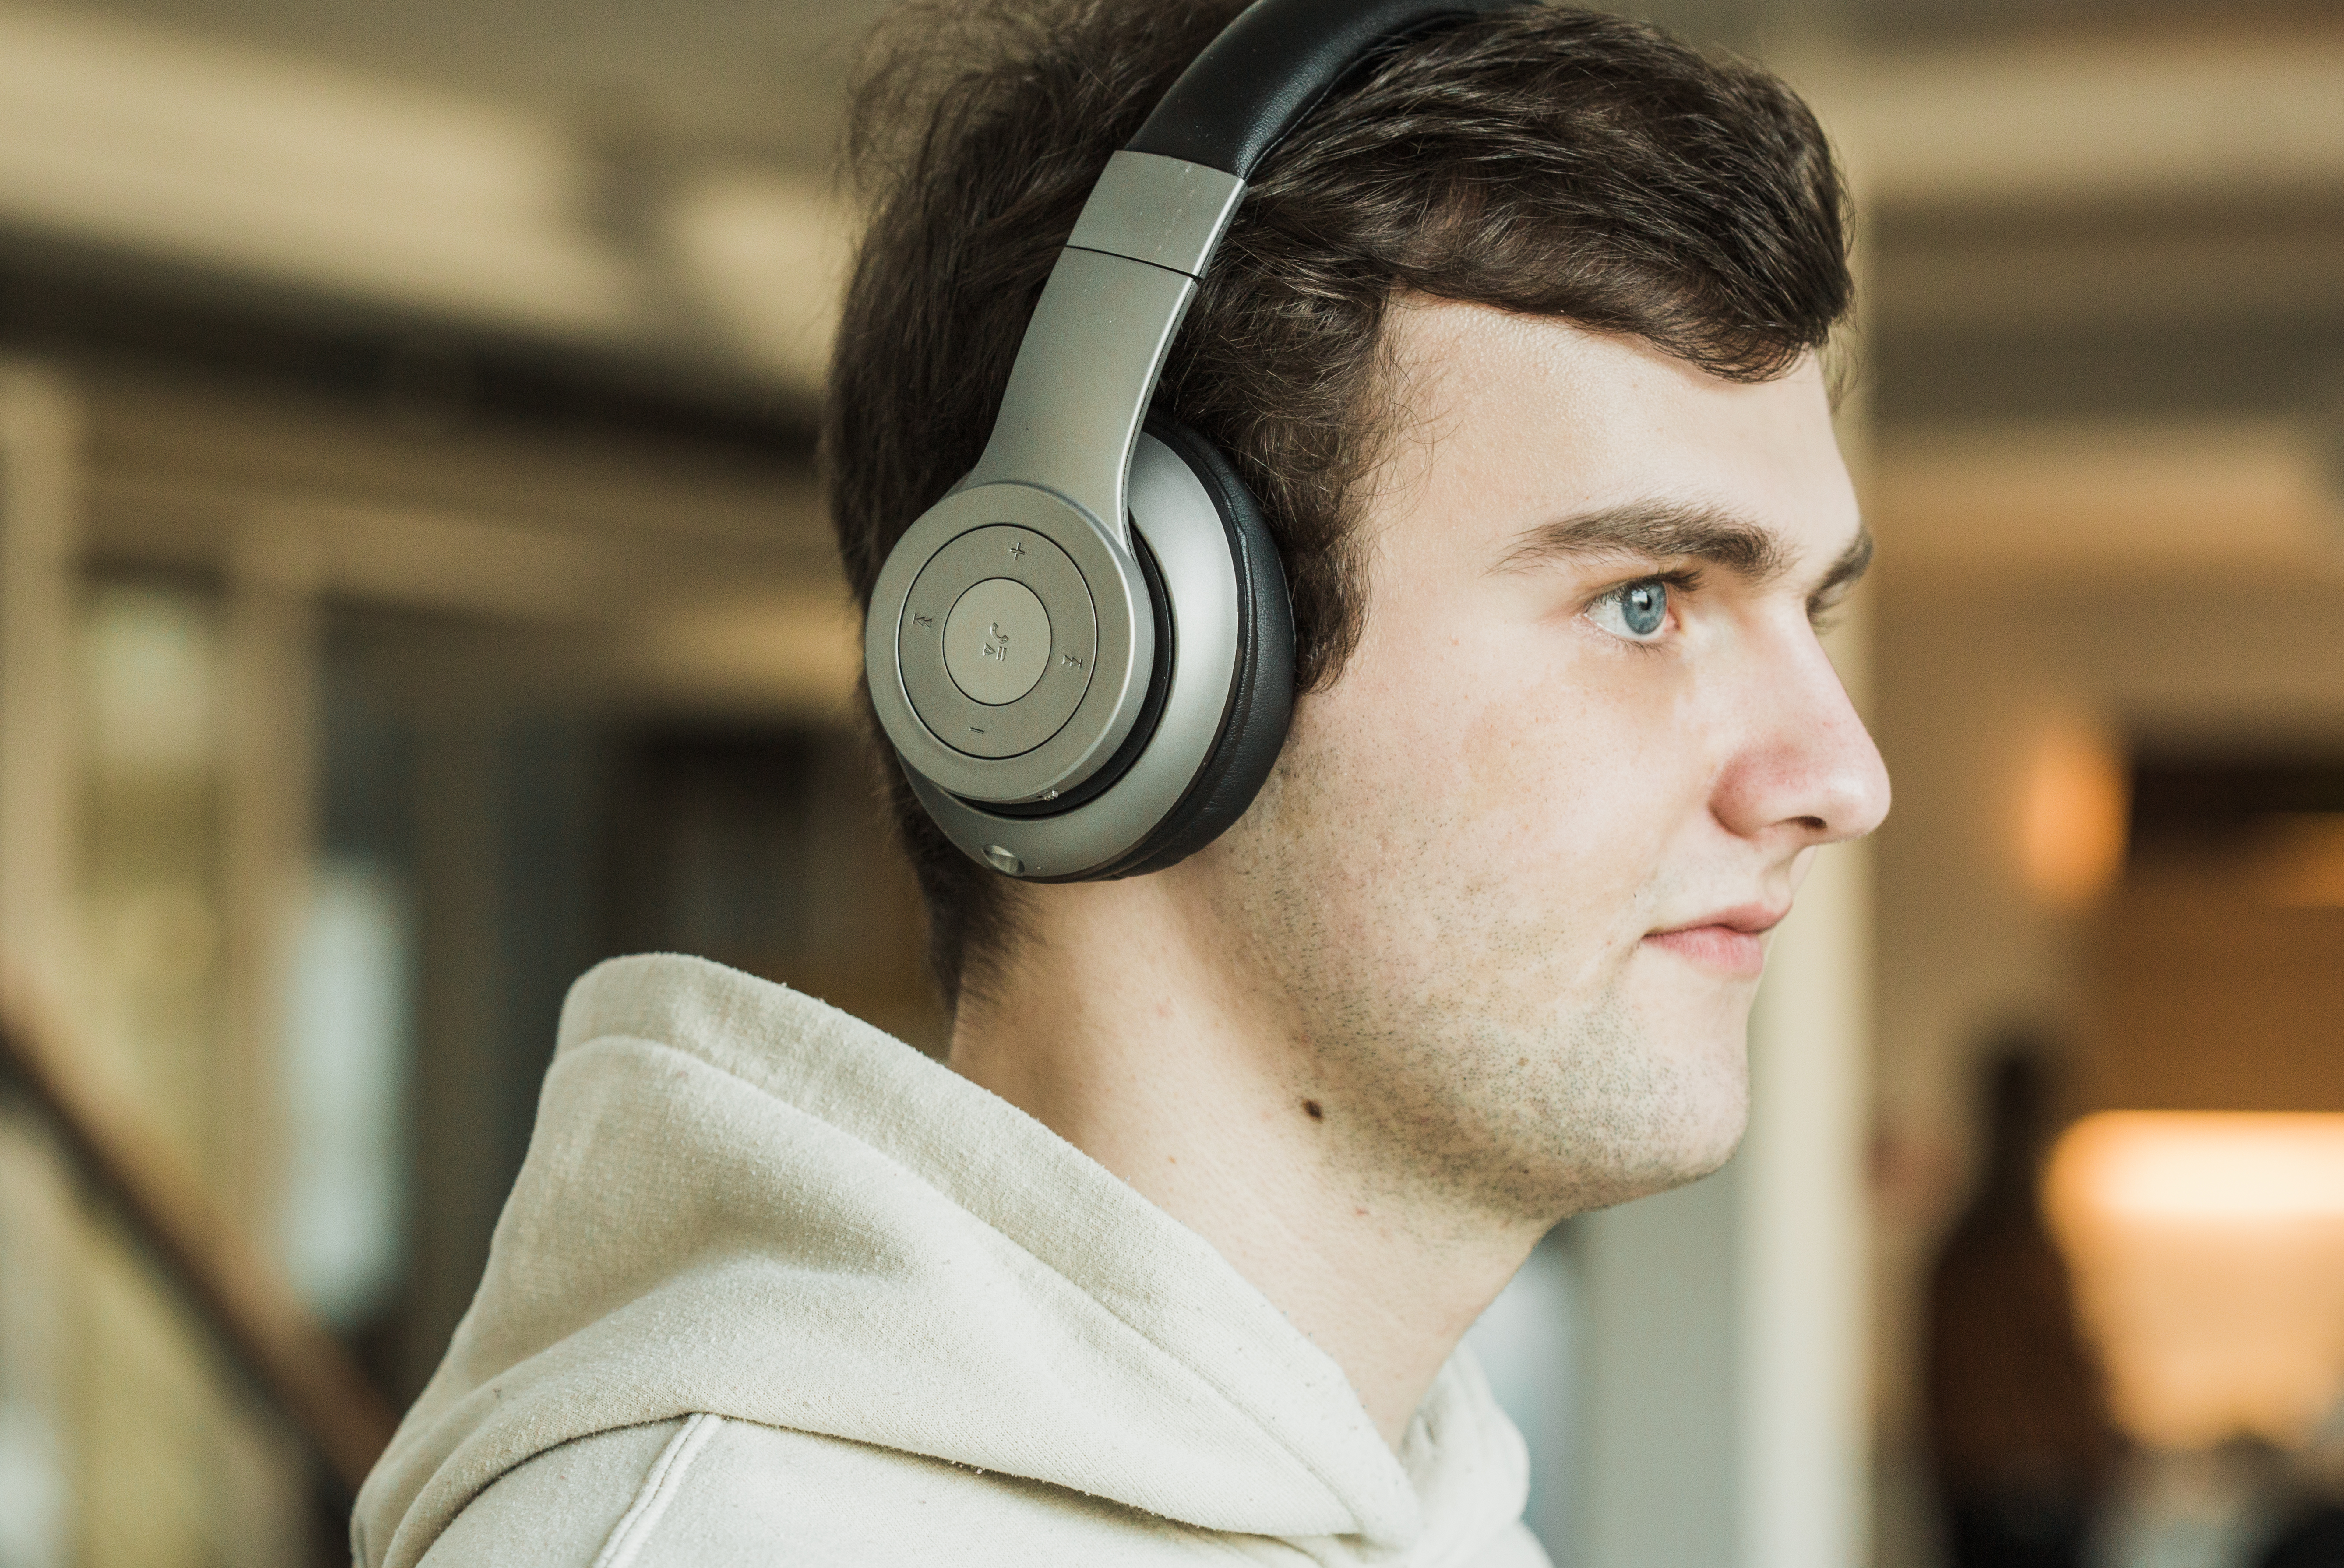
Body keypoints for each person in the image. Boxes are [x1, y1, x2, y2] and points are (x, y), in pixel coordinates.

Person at [351, 1, 1888, 1563]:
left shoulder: (1423, 1518)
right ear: (1114, 652)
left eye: (1811, 607)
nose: (1840, 775)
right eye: (1649, 598)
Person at [1925, 1045, 2119, 1568]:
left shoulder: (1961, 1251)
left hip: (1975, 1499)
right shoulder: (2020, 1253)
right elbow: (2063, 1378)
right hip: (2035, 1504)